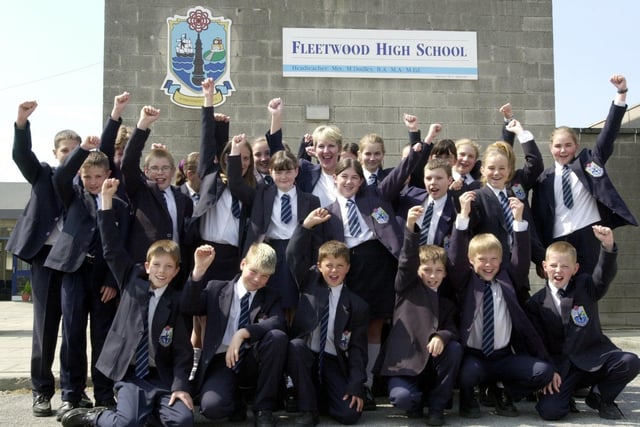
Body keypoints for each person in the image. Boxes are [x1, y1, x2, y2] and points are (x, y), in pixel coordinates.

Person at [60, 178, 194, 427]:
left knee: (183, 421)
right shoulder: (131, 280)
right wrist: (107, 202)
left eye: (168, 267)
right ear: (147, 266)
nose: (161, 272)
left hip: (161, 378)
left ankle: (151, 412)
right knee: (126, 423)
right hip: (131, 374)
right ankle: (97, 417)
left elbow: (183, 352)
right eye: (156, 265)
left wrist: (180, 386)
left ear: (176, 271)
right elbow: (111, 248)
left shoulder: (176, 301)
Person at [319, 142, 426, 408]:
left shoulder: (374, 197)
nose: (349, 182)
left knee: (374, 327)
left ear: (361, 181)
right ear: (335, 178)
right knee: (347, 327)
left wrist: (418, 144)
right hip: (346, 270)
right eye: (344, 176)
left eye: (355, 177)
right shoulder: (327, 213)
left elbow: (401, 173)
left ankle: (365, 385)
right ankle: (344, 381)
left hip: (377, 268)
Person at [448, 191, 554, 419]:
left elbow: (522, 259)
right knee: (466, 375)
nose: (488, 265)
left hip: (503, 357)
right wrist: (463, 215)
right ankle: (468, 399)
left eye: (494, 259)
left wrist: (518, 222)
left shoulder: (508, 280)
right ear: (471, 261)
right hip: (474, 357)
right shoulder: (466, 282)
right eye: (482, 260)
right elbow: (455, 258)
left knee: (543, 372)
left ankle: (506, 393)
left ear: (501, 260)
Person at [46, 136, 130, 419]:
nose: (93, 182)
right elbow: (61, 176)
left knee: (103, 337)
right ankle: (71, 394)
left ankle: (104, 394)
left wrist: (111, 279)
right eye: (87, 176)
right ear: (80, 176)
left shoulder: (118, 205)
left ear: (108, 175)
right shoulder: (72, 196)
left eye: (98, 176)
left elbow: (120, 244)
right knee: (72, 334)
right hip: (73, 273)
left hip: (102, 278)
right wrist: (82, 150)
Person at [6, 101, 81, 417]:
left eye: (76, 150)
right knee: (45, 329)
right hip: (44, 259)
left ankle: (72, 393)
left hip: (75, 262)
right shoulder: (42, 174)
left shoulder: (86, 184)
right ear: (55, 153)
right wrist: (22, 124)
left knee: (75, 330)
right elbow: (21, 156)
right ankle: (41, 392)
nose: (70, 154)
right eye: (65, 150)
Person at [526, 226, 640, 421]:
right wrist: (548, 372)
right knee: (550, 411)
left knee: (629, 362)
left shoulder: (585, 286)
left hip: (593, 358)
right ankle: (565, 394)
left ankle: (599, 397)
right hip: (562, 368)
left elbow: (604, 275)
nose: (558, 271)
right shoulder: (535, 303)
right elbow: (538, 344)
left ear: (575, 268)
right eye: (553, 265)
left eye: (565, 266)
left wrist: (608, 245)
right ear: (544, 267)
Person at [532, 74, 638, 276]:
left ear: (576, 146)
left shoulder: (589, 164)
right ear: (551, 148)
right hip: (558, 241)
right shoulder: (543, 179)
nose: (563, 150)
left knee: (589, 291)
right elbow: (538, 219)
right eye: (558, 146)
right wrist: (540, 258)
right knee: (559, 294)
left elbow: (608, 134)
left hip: (588, 236)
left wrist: (621, 94)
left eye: (568, 145)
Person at [181, 243, 288, 427]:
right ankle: (236, 400)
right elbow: (188, 306)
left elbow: (278, 321)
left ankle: (263, 409)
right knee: (212, 408)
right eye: (254, 271)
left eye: (265, 276)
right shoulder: (216, 288)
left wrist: (243, 333)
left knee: (277, 337)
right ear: (243, 264)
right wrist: (198, 270)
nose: (257, 279)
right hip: (222, 360)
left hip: (253, 359)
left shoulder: (271, 296)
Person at [375, 206, 462, 426]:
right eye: (427, 270)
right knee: (402, 398)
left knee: (454, 347)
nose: (433, 276)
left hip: (432, 368)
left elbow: (453, 328)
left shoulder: (447, 302)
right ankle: (416, 402)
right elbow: (406, 261)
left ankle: (437, 407)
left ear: (445, 272)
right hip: (405, 365)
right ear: (418, 270)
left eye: (438, 270)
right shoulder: (406, 288)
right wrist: (411, 228)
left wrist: (441, 336)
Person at [286, 210, 369, 425]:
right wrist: (305, 226)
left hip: (333, 361)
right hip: (307, 356)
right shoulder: (309, 282)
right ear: (319, 266)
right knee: (295, 346)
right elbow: (293, 255)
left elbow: (358, 350)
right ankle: (308, 410)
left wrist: (356, 386)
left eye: (340, 265)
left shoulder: (357, 305)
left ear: (348, 268)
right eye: (329, 265)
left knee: (349, 415)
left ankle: (321, 399)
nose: (334, 270)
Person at [228, 146, 321, 321]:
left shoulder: (310, 200)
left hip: (297, 254)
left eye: (288, 171)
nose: (284, 177)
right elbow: (236, 184)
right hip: (268, 252)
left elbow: (316, 237)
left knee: (293, 302)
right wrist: (234, 152)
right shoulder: (262, 194)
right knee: (267, 302)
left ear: (296, 171)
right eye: (278, 172)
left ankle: (291, 340)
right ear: (270, 172)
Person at [121, 105, 194, 266]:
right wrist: (143, 125)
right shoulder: (140, 191)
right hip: (144, 267)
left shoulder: (183, 198)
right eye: (154, 168)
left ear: (173, 171)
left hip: (173, 268)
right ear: (145, 171)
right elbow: (128, 162)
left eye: (165, 168)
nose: (160, 173)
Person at [251, 97, 285, 183]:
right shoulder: (249, 182)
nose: (263, 159)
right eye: (257, 155)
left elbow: (276, 145)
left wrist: (276, 115)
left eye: (268, 153)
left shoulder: (286, 180)